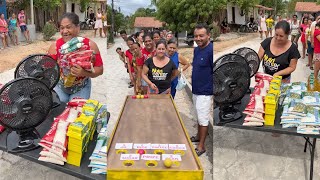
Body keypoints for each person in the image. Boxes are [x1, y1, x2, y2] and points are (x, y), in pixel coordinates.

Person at [47, 12, 104, 103]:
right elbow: (46, 69)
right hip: (60, 87)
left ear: (78, 28)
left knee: (75, 113)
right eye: (62, 28)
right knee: (59, 111)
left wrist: (84, 72)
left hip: (81, 88)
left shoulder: (90, 45)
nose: (65, 31)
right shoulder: (55, 47)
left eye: (68, 27)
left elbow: (100, 69)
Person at [189, 24, 213, 157]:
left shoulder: (211, 50)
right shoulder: (197, 49)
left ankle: (201, 146)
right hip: (196, 89)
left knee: (203, 118)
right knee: (198, 115)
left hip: (205, 91)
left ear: (208, 35)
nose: (198, 38)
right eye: (196, 36)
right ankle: (198, 136)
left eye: (201, 36)